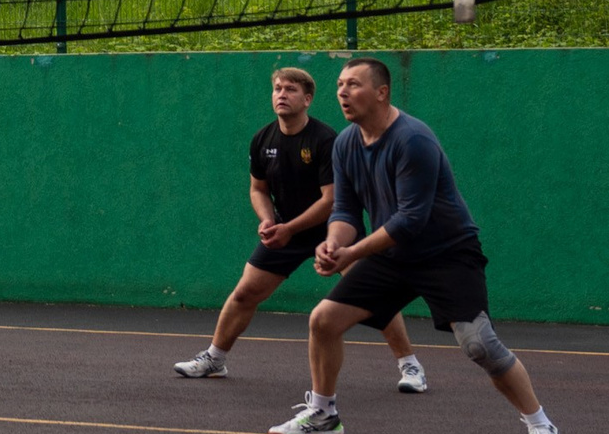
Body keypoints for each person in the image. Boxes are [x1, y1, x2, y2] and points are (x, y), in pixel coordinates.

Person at [268, 58, 561, 434]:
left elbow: (410, 220)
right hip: (392, 255)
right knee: (323, 320)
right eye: (339, 85)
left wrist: (352, 253)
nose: (342, 92)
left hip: (446, 253)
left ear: (382, 92)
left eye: (353, 85)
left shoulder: (413, 140)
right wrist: (334, 243)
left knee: (479, 344)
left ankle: (542, 427)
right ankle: (323, 416)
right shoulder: (345, 144)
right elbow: (346, 210)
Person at [172, 66, 427, 391]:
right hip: (285, 233)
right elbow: (258, 189)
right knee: (245, 293)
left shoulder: (325, 140)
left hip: (334, 232)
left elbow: (331, 200)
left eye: (290, 89)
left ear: (307, 99)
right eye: (277, 88)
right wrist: (268, 220)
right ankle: (214, 359)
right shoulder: (262, 140)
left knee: (375, 295)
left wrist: (289, 228)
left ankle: (410, 366)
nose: (282, 94)